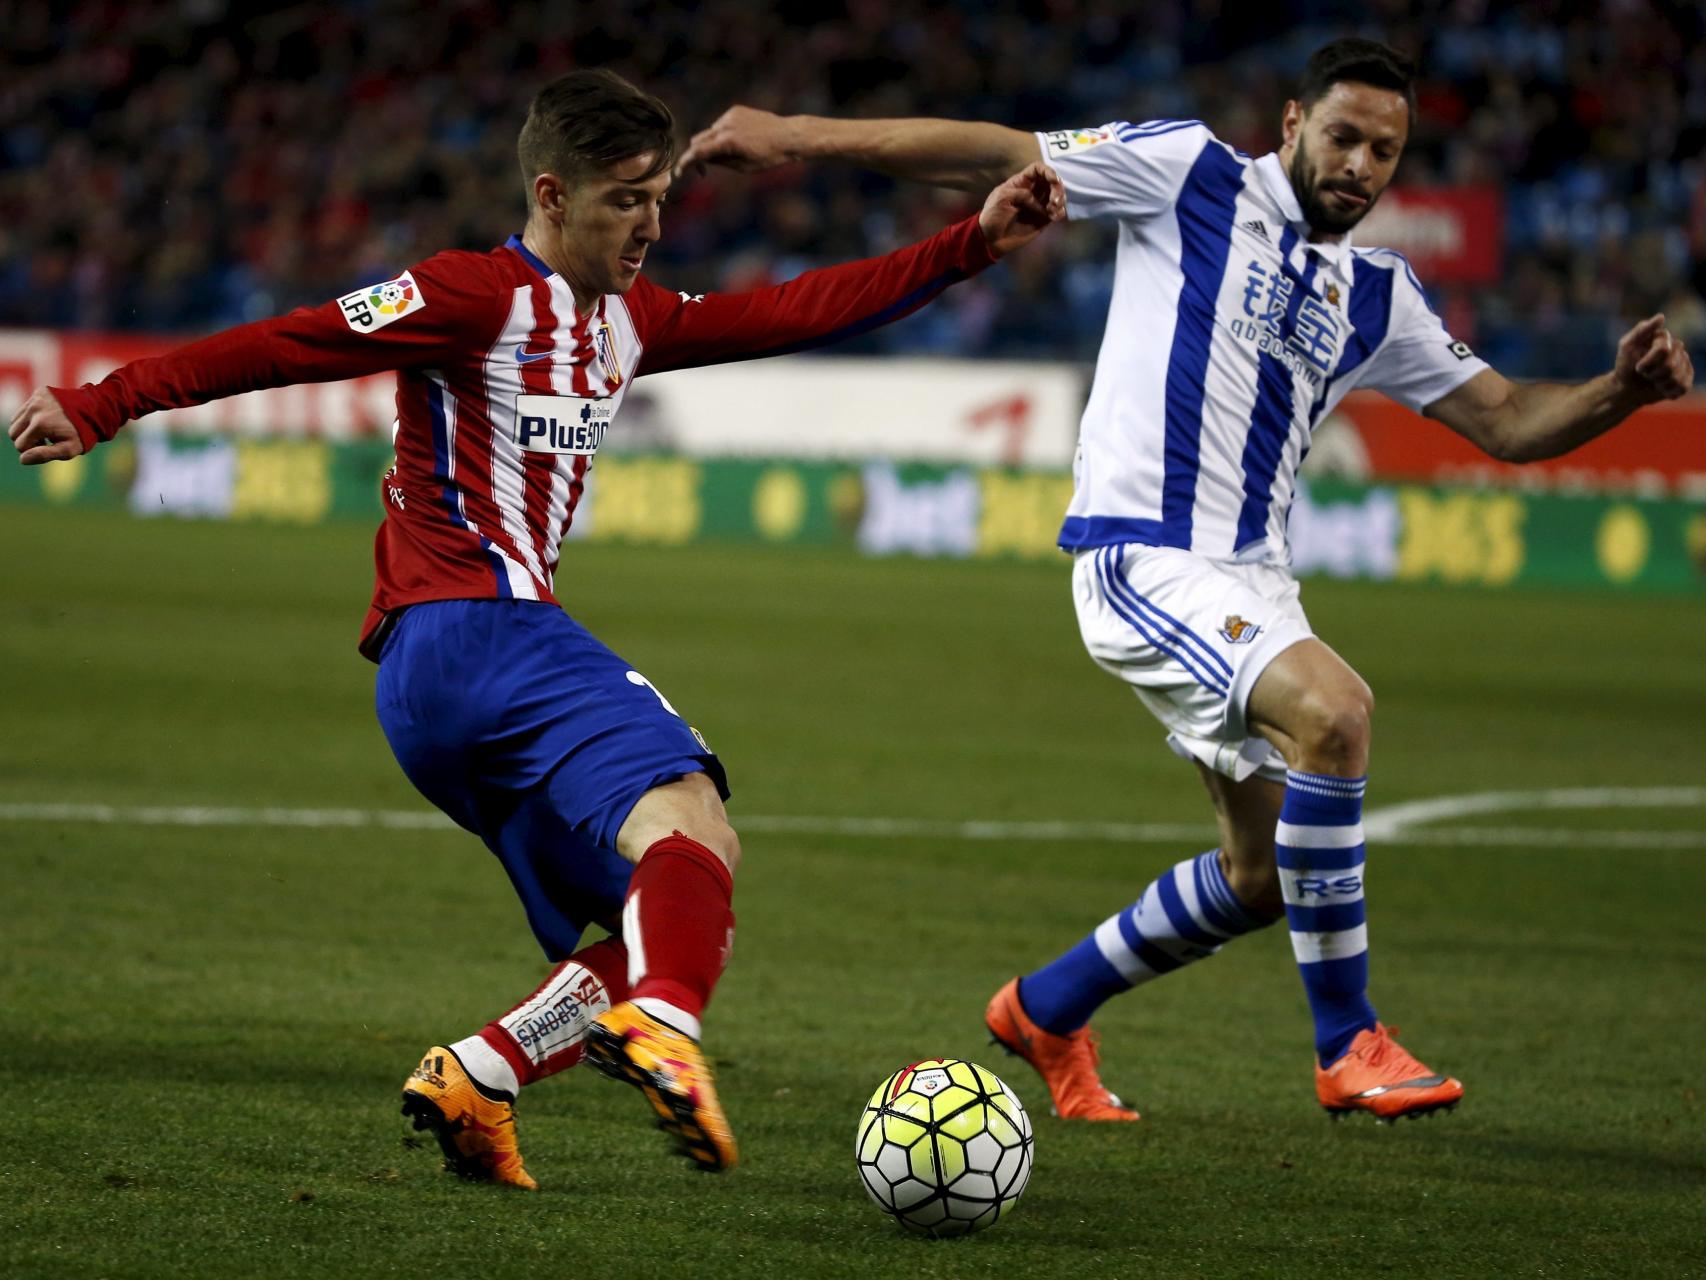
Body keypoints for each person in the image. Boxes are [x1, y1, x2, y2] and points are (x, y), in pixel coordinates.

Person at [8, 68, 1063, 1183]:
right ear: (551, 194)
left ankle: (484, 1073)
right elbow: (289, 340)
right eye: (625, 200)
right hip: (477, 630)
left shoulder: (630, 317)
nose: (651, 224)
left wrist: (972, 243)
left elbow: (800, 306)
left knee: (677, 892)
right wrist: (101, 399)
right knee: (687, 816)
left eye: (659, 199)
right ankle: (663, 1025)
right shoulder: (469, 293)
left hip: (440, 688)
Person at [679, 37, 1696, 1123]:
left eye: (1383, 151)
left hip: (1253, 584)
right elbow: (994, 153)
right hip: (1142, 554)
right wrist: (790, 137)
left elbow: (1504, 419)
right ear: (1292, 122)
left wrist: (1617, 393)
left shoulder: (1377, 294)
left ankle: (1045, 1007)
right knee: (1336, 714)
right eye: (1342, 135)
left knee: (1259, 880)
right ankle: (1347, 1039)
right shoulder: (1190, 171)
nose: (1358, 164)